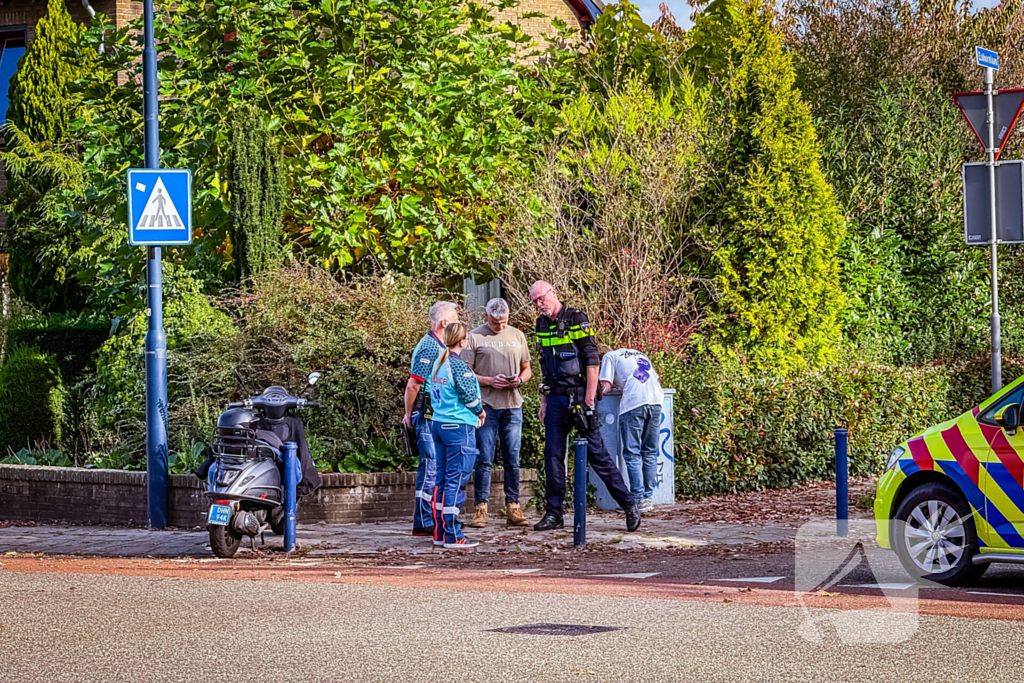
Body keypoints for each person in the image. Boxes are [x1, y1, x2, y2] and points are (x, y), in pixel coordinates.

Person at [529, 281, 641, 532]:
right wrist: (544, 401)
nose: (539, 304)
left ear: (553, 293)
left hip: (579, 397)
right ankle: (554, 514)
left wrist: (590, 399)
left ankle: (629, 504)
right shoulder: (541, 324)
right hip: (555, 397)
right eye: (534, 301)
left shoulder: (577, 318)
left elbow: (592, 361)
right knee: (553, 456)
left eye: (541, 299)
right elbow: (545, 366)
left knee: (597, 455)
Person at [462, 298, 532, 528]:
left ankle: (513, 506)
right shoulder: (474, 336)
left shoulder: (517, 335)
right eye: (495, 323)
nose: (500, 327)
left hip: (512, 405)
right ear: (486, 317)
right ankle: (480, 508)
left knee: (512, 458)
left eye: (503, 322)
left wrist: (519, 380)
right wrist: (489, 381)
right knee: (484, 459)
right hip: (486, 406)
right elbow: (466, 373)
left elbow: (527, 368)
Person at [403, 301, 459, 537]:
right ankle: (424, 520)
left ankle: (431, 518)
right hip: (425, 414)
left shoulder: (438, 345)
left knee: (435, 467)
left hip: (434, 414)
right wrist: (409, 415)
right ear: (444, 322)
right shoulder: (429, 347)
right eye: (455, 319)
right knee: (431, 467)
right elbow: (414, 384)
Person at [429, 321, 486, 549]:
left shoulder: (438, 364)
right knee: (456, 480)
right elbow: (469, 396)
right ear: (463, 341)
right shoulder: (459, 367)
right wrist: (480, 412)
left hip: (438, 424)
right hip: (458, 427)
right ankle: (453, 534)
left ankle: (439, 531)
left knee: (441, 480)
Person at [598, 344, 665, 513]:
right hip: (656, 401)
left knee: (632, 452)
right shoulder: (638, 354)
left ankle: (636, 498)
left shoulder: (609, 357)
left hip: (633, 404)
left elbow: (604, 386)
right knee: (649, 451)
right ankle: (647, 498)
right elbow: (654, 379)